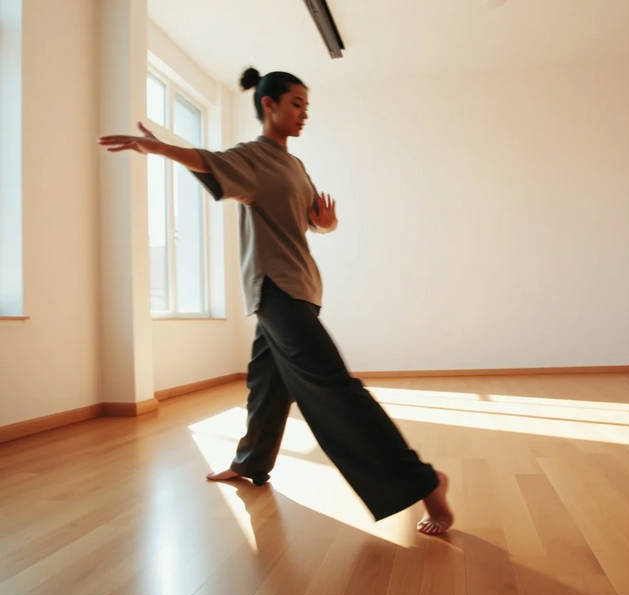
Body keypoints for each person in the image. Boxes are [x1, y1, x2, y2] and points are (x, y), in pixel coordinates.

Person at [98, 68, 453, 535]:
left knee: (330, 388)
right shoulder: (254, 157)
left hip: (292, 288)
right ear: (269, 105)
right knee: (268, 385)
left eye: (306, 106)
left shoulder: (295, 166)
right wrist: (162, 148)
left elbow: (314, 224)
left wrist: (327, 221)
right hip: (277, 289)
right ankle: (250, 464)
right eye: (295, 104)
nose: (303, 114)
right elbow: (208, 160)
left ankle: (426, 482)